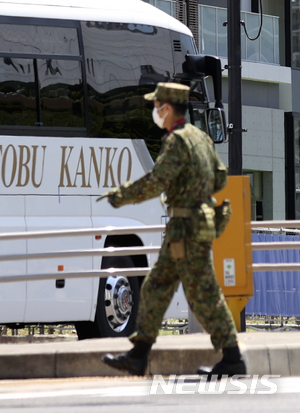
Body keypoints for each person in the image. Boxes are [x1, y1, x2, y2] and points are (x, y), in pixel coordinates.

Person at [100, 81, 246, 380]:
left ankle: (233, 358)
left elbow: (157, 181)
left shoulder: (177, 141)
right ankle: (138, 355)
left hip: (187, 228)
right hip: (189, 226)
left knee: (203, 295)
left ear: (167, 108)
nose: (155, 111)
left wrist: (120, 195)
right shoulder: (201, 138)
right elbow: (219, 178)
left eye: (157, 107)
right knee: (156, 287)